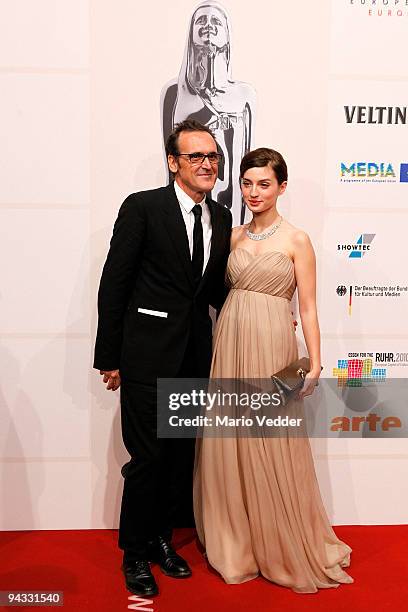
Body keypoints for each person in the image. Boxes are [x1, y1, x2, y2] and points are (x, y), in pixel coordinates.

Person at [193, 147, 353, 593]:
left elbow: (308, 306)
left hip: (272, 345)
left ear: (282, 187)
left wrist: (316, 360)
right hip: (231, 340)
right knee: (231, 438)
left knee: (270, 438)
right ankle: (238, 540)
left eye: (264, 184)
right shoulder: (233, 236)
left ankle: (280, 540)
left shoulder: (297, 239)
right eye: (247, 183)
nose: (253, 192)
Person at [93, 119, 232, 597]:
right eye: (196, 156)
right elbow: (115, 284)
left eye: (212, 156)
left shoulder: (222, 215)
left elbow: (213, 289)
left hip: (194, 355)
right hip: (147, 357)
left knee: (178, 458)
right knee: (148, 459)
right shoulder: (143, 208)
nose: (207, 164)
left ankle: (160, 541)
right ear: (173, 163)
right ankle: (133, 552)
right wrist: (109, 357)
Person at [161, 0, 256, 226]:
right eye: (201, 21)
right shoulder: (174, 92)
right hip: (184, 206)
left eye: (216, 21)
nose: (208, 26)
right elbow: (170, 160)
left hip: (230, 202)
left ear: (226, 32)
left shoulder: (244, 95)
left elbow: (247, 158)